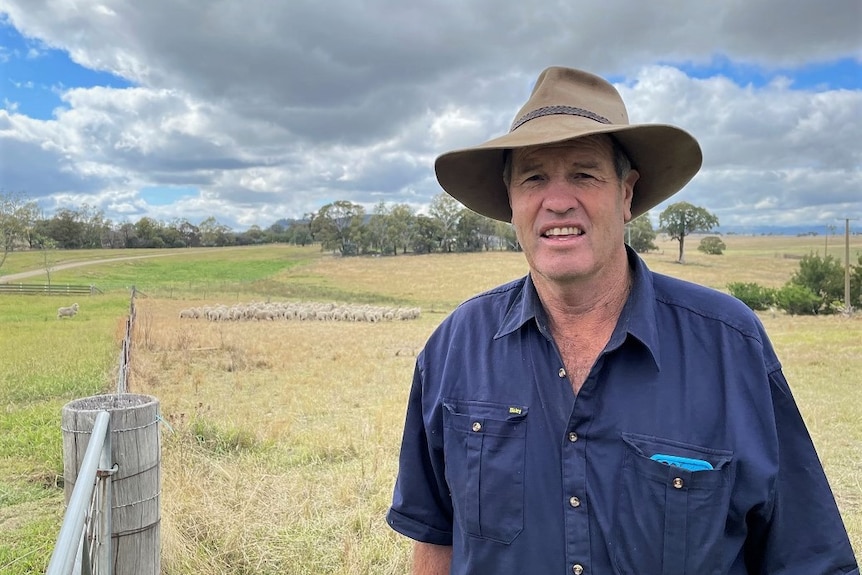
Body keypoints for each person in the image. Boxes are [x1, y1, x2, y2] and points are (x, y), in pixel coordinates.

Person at [386, 66, 859, 574]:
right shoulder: (456, 346)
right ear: (511, 200)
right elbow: (435, 537)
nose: (558, 200)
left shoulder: (729, 345)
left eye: (585, 174)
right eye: (534, 177)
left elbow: (808, 557)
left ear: (627, 193)